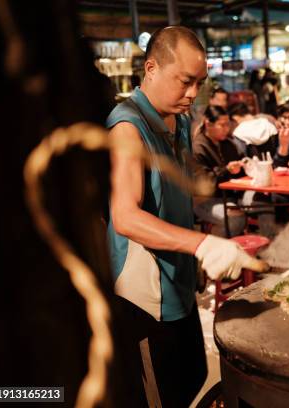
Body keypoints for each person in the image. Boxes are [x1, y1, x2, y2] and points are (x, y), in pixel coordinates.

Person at [105, 26, 265, 407]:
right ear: (151, 68)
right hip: (146, 303)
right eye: (184, 81)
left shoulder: (176, 120)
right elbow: (125, 216)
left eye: (200, 83)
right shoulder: (128, 128)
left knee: (193, 382)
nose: (193, 93)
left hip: (180, 289)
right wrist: (204, 242)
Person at [191, 105, 247, 237]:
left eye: (228, 124)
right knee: (235, 220)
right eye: (222, 125)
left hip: (230, 196)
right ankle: (210, 244)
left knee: (259, 203)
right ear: (208, 124)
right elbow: (204, 182)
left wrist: (245, 165)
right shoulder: (198, 148)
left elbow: (239, 168)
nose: (226, 129)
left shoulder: (228, 144)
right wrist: (226, 170)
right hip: (205, 201)